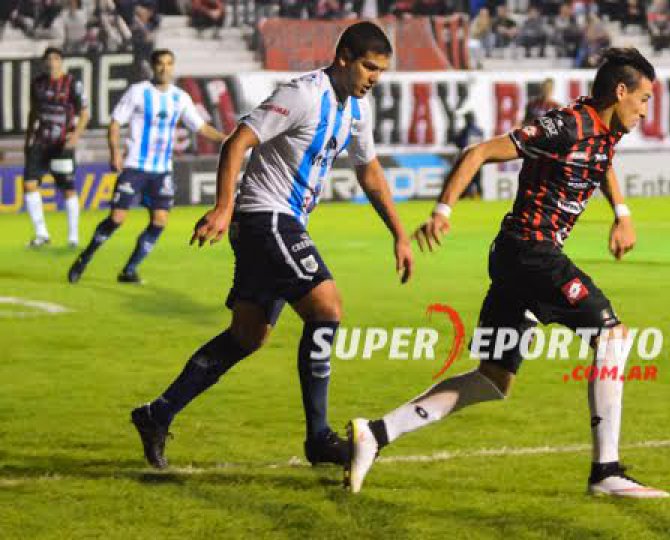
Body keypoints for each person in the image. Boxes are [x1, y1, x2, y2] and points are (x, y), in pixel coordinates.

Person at [345, 48, 670, 499]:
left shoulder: (605, 132)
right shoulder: (566, 124)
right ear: (621, 91)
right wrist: (443, 211)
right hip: (529, 250)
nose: (646, 108)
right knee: (612, 336)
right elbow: (478, 152)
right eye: (645, 98)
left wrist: (622, 212)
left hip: (517, 258)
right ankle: (606, 471)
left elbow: (602, 162)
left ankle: (375, 434)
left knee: (492, 379)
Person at [127, 22, 414, 470]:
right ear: (343, 58)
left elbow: (370, 171)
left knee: (248, 336)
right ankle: (319, 437)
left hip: (281, 222)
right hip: (266, 216)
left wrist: (399, 232)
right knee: (327, 307)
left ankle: (157, 413)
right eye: (369, 67)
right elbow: (237, 141)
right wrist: (224, 207)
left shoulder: (357, 109)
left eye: (380, 70)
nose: (375, 77)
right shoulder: (303, 94)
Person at [68, 49, 225, 284]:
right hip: (134, 167)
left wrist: (228, 139)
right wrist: (114, 154)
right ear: (153, 66)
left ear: (173, 67)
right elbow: (115, 123)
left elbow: (200, 127)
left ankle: (129, 270)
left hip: (161, 171)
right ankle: (84, 258)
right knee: (117, 218)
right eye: (160, 63)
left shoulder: (180, 97)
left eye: (169, 63)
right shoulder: (138, 92)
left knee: (160, 221)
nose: (164, 68)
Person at [22, 47, 90, 248]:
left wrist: (75, 136)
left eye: (56, 58)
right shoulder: (37, 84)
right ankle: (42, 235)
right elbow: (34, 111)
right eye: (48, 59)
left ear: (61, 61)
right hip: (41, 142)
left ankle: (73, 237)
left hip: (62, 144)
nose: (52, 62)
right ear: (44, 62)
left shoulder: (72, 84)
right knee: (29, 185)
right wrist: (28, 138)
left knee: (67, 189)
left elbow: (85, 113)